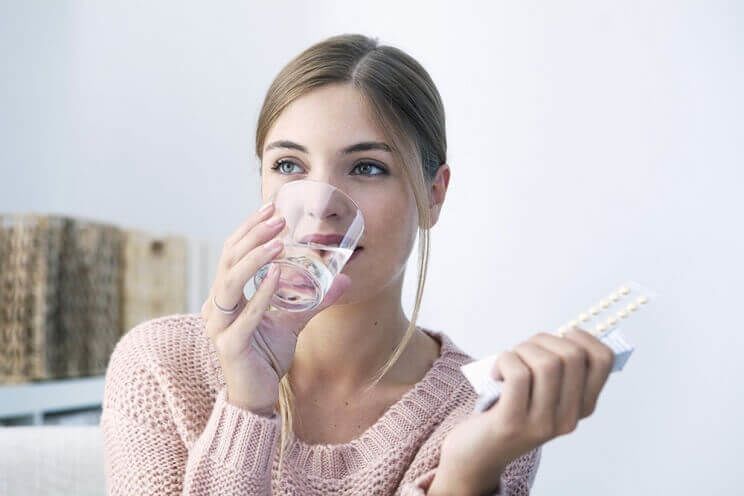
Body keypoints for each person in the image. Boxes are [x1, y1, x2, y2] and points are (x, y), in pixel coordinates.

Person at [100, 33, 616, 495]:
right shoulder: (160, 366)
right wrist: (247, 407)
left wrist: (465, 474)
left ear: (434, 196)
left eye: (367, 167)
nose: (320, 204)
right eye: (289, 166)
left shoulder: (486, 412)